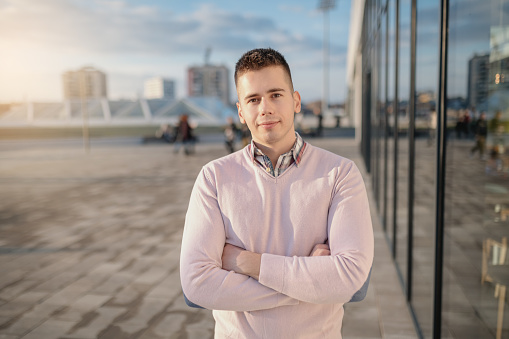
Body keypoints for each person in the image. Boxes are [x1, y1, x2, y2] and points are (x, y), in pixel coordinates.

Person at [180, 48, 374, 338]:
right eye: (253, 99)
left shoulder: (340, 174)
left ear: (296, 101)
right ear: (241, 112)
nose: (265, 108)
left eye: (276, 95)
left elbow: (349, 277)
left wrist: (247, 263)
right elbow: (197, 284)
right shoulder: (214, 178)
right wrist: (311, 283)